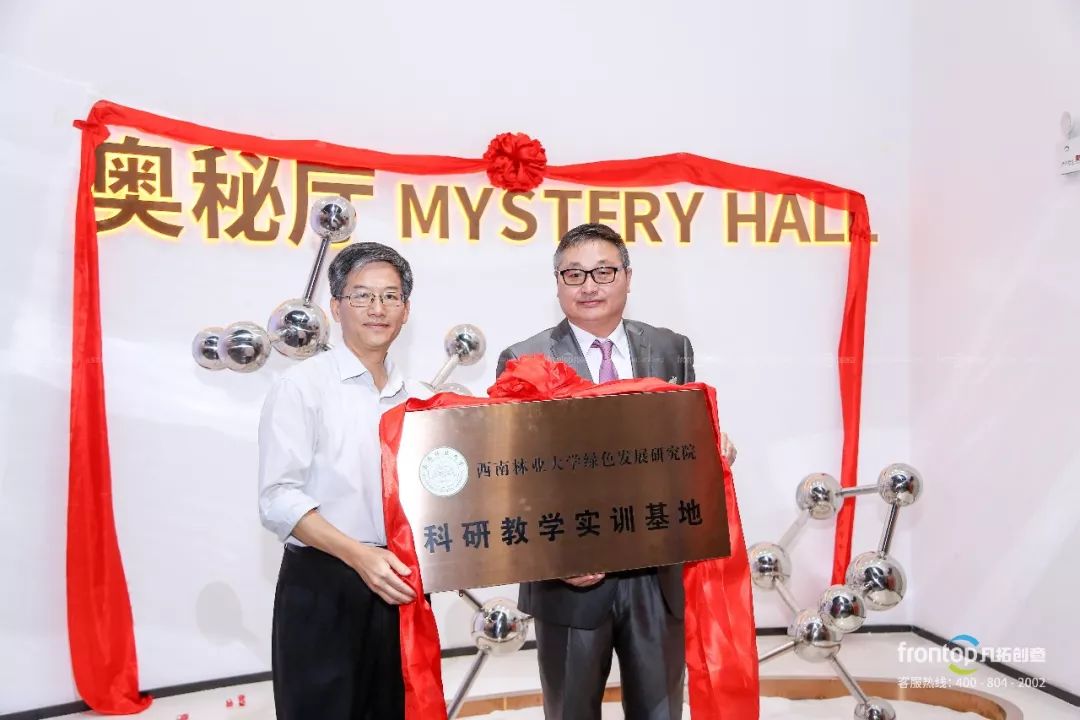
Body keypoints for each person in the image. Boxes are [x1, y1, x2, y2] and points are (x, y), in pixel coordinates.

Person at [496, 223, 736, 720]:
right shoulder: (524, 358)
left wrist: (712, 447)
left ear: (627, 277)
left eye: (603, 272)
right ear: (557, 283)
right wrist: (559, 557)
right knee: (572, 711)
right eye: (574, 274)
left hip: (656, 571)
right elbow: (514, 478)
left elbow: (681, 445)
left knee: (660, 709)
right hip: (571, 576)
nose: (589, 286)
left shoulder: (671, 347)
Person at [258, 241, 427, 720]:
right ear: (336, 307)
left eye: (390, 297)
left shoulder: (419, 398)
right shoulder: (301, 387)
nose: (377, 309)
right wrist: (359, 556)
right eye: (362, 296)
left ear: (406, 310)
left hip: (399, 584)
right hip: (324, 584)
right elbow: (278, 499)